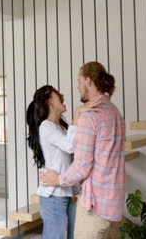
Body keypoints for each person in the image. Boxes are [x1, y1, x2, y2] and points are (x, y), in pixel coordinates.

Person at [39, 62, 126, 239]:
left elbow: (83, 165)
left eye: (79, 82)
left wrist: (59, 179)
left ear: (88, 81)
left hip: (95, 207)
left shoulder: (90, 117)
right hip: (113, 203)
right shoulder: (115, 112)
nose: (77, 87)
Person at [26, 85, 101, 239]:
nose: (63, 95)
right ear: (49, 101)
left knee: (74, 235)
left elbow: (76, 150)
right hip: (54, 195)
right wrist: (78, 113)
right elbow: (69, 146)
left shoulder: (62, 128)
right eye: (58, 94)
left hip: (66, 191)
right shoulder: (46, 126)